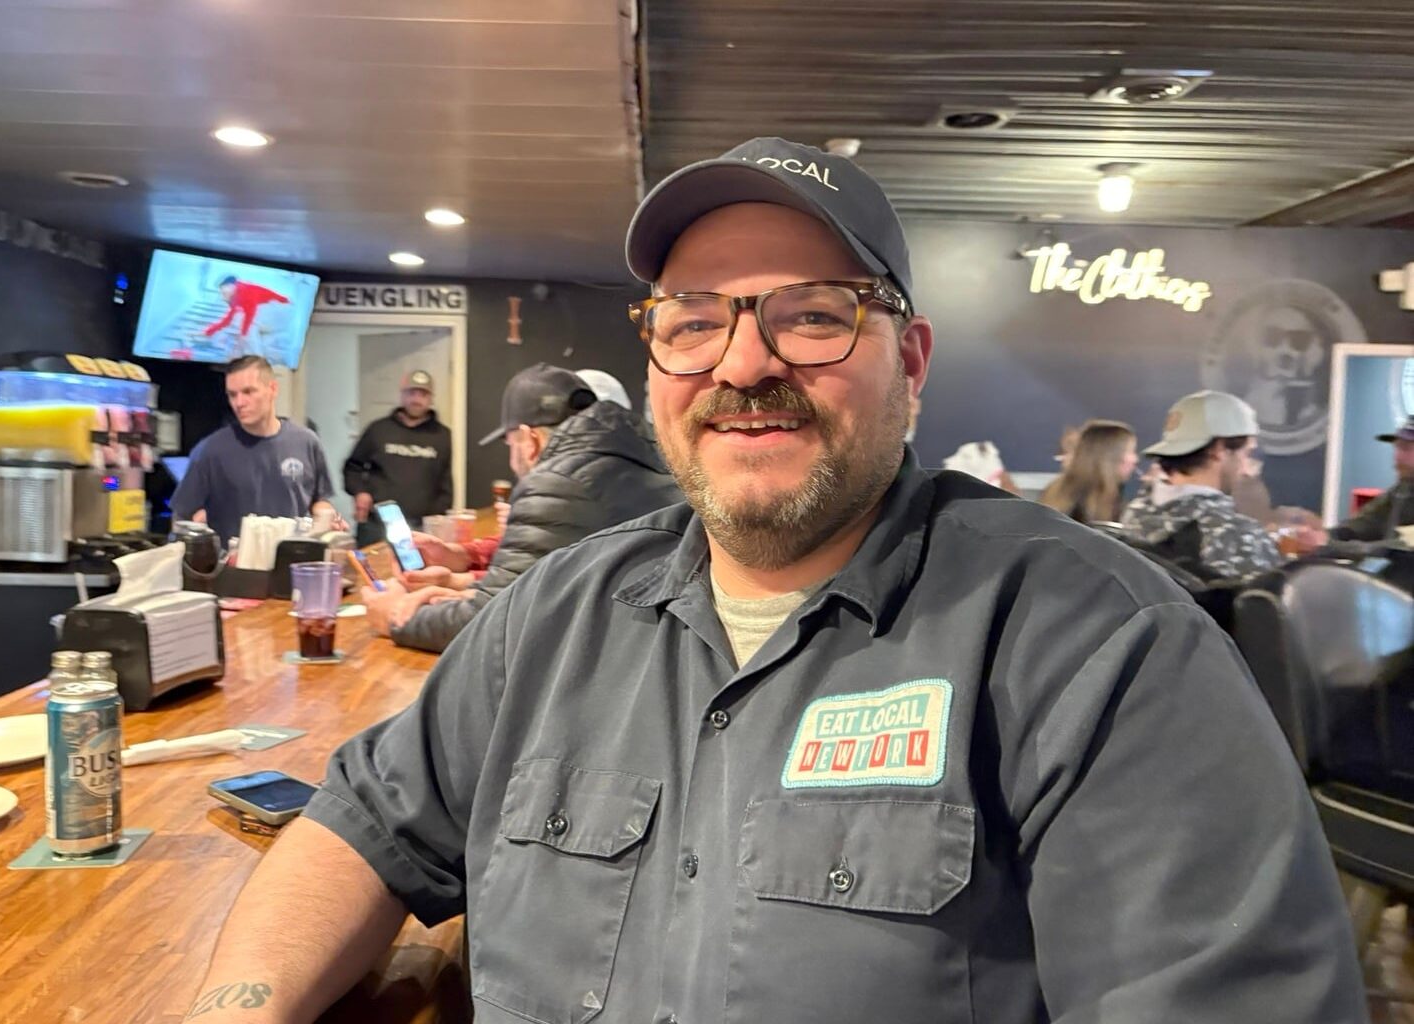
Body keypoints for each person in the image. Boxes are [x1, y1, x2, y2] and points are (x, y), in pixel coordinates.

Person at [190, 139, 1363, 1023]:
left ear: (911, 361)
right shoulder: (553, 615)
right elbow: (357, 828)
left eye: (813, 317)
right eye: (693, 322)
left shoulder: (1103, 645)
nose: (744, 364)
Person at [362, 363, 681, 652]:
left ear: (530, 440)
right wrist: (464, 578)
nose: (511, 456)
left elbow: (497, 626)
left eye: (510, 443)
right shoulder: (643, 459)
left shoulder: (557, 480)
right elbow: (540, 586)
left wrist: (395, 616)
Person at [1121, 390, 1295, 579]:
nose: (1246, 470)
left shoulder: (1134, 514)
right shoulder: (1236, 534)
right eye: (1246, 453)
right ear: (1219, 449)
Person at [169, 355, 337, 542]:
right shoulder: (210, 451)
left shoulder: (306, 443)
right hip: (234, 559)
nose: (239, 403)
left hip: (292, 557)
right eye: (233, 395)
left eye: (248, 392)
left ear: (273, 389)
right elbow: (181, 518)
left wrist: (327, 519)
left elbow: (320, 500)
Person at [343, 369, 454, 545]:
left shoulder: (442, 435)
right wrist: (360, 491)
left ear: (431, 398)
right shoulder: (378, 429)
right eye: (411, 393)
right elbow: (353, 467)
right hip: (377, 525)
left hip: (421, 528)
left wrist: (438, 521)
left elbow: (445, 482)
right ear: (402, 395)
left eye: (423, 394)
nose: (416, 399)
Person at [1330, 416, 1414, 542]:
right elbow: (1364, 524)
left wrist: (1326, 545)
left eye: (1406, 448)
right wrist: (1322, 537)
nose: (1397, 456)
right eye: (1397, 447)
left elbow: (1398, 549)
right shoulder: (1402, 490)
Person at [1039, 419, 1137, 524]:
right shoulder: (1078, 503)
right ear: (1109, 456)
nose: (1135, 459)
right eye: (1130, 451)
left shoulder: (1061, 491)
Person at [201, 276, 290, 347]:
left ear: (230, 286)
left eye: (223, 291)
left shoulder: (245, 290)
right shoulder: (236, 297)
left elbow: (250, 314)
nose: (222, 295)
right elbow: (227, 320)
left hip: (281, 307)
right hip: (275, 310)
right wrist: (208, 332)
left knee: (244, 322)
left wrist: (243, 335)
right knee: (242, 320)